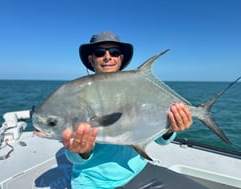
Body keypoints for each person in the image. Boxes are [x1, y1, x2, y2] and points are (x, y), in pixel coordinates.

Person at [62, 32, 207, 189]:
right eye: (100, 53)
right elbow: (72, 154)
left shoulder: (135, 90)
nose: (107, 56)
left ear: (120, 58)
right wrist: (82, 152)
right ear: (91, 59)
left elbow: (161, 140)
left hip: (138, 171)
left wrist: (169, 129)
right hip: (93, 182)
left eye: (114, 52)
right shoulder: (78, 95)